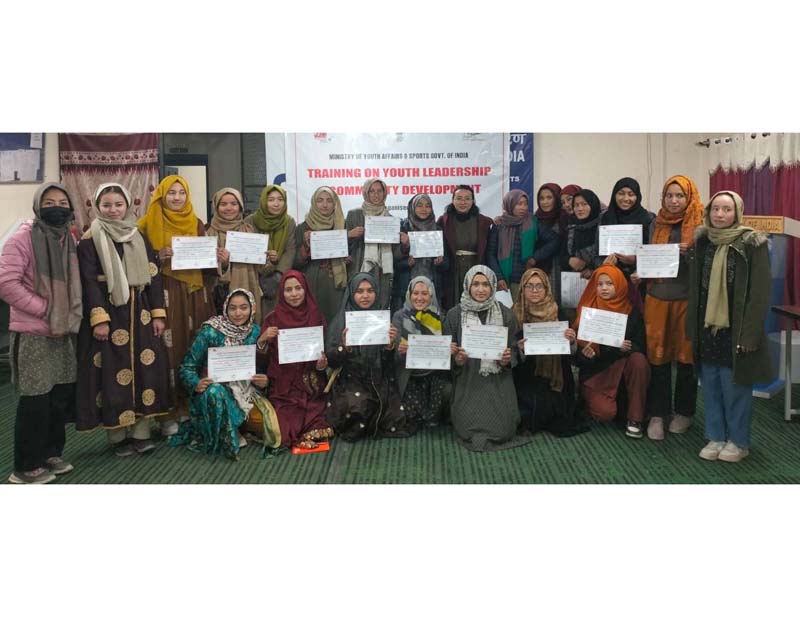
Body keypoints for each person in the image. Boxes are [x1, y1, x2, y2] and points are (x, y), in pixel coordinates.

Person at [75, 183, 172, 456]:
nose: (113, 210)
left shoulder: (138, 234)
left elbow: (153, 275)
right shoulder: (90, 238)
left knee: (146, 370)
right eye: (107, 205)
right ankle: (117, 435)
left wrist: (157, 313)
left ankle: (141, 432)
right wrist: (99, 319)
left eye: (118, 204)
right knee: (110, 373)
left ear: (128, 205)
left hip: (139, 313)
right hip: (110, 313)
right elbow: (88, 282)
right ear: (97, 207)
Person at [0, 183, 81, 483]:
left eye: (62, 201)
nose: (56, 207)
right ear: (38, 206)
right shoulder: (22, 238)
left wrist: (63, 313)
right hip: (34, 333)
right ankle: (25, 466)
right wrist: (45, 308)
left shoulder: (68, 239)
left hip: (63, 332)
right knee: (35, 398)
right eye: (49, 202)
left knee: (59, 396)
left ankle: (50, 453)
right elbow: (6, 283)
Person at [687, 190, 771, 463]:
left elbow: (760, 293)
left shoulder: (752, 243)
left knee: (736, 386)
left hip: (736, 328)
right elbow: (695, 289)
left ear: (737, 212)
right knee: (710, 384)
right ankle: (716, 436)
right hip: (707, 327)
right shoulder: (703, 242)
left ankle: (738, 442)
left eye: (726, 209)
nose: (720, 215)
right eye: (715, 209)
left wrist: (750, 333)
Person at [137, 175, 214, 436]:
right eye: (171, 193)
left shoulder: (197, 223)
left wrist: (216, 257)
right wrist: (158, 257)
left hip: (194, 293)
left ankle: (191, 406)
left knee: (192, 345)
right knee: (166, 349)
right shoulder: (145, 226)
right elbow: (137, 265)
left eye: (182, 192)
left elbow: (208, 267)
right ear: (161, 195)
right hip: (163, 294)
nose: (177, 198)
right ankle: (166, 412)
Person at [631, 175, 704, 440]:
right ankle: (658, 414)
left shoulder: (701, 225)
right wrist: (642, 273)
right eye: (669, 196)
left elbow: (707, 266)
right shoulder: (655, 222)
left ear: (689, 197)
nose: (674, 201)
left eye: (679, 196)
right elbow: (651, 258)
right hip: (657, 298)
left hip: (687, 299)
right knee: (657, 357)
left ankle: (684, 412)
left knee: (686, 358)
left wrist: (692, 254)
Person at [173, 288, 269, 460]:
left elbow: (258, 367)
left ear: (252, 309)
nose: (238, 313)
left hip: (246, 394)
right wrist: (196, 383)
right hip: (215, 393)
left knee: (269, 426)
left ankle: (237, 425)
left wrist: (263, 380)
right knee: (215, 392)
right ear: (225, 308)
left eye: (243, 307)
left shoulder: (255, 331)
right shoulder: (211, 331)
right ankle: (228, 436)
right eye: (232, 308)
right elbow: (187, 366)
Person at [443, 265, 527, 451]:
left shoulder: (506, 314)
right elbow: (446, 354)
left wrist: (507, 359)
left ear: (493, 287)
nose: (481, 289)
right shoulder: (454, 315)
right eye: (476, 284)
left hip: (498, 380)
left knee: (503, 430)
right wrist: (456, 360)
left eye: (486, 285)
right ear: (467, 286)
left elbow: (515, 350)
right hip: (467, 380)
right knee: (466, 430)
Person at [325, 272, 411, 441]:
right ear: (352, 294)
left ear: (376, 293)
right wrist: (345, 348)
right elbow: (331, 359)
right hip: (350, 379)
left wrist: (389, 345)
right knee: (357, 406)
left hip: (378, 377)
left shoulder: (382, 320)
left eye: (370, 290)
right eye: (360, 291)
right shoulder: (341, 320)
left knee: (395, 412)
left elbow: (389, 363)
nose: (365, 296)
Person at [257, 270, 333, 450]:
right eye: (288, 290)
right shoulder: (272, 319)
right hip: (284, 386)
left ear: (305, 289)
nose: (294, 294)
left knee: (319, 416)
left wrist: (322, 364)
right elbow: (261, 361)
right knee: (285, 427)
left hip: (311, 383)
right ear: (281, 293)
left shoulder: (316, 316)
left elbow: (324, 353)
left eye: (298, 288)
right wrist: (262, 340)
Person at [573, 264, 650, 438]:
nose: (604, 288)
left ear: (620, 284)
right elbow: (577, 359)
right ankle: (590, 401)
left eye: (609, 283)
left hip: (623, 369)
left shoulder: (633, 313)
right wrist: (586, 354)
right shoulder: (588, 310)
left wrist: (625, 348)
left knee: (638, 360)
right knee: (605, 413)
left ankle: (635, 419)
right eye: (600, 284)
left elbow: (641, 347)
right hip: (597, 373)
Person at [512, 268, 588, 436]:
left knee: (559, 415)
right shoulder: (515, 313)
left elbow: (571, 352)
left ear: (547, 288)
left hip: (556, 375)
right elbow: (510, 351)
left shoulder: (557, 310)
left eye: (539, 286)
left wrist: (572, 341)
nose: (534, 291)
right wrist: (519, 349)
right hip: (526, 375)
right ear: (522, 288)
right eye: (529, 286)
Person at [391, 275, 452, 429]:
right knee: (411, 417)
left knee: (446, 394)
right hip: (409, 374)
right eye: (415, 293)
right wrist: (400, 351)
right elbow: (394, 358)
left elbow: (447, 353)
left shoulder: (441, 317)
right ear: (409, 295)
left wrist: (449, 350)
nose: (419, 298)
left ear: (431, 295)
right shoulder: (399, 316)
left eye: (424, 294)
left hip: (434, 374)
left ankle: (435, 414)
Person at [487, 189, 558, 302]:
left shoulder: (533, 222)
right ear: (510, 204)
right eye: (519, 204)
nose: (523, 208)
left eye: (525, 204)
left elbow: (554, 240)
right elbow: (491, 254)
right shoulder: (499, 225)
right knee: (513, 316)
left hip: (530, 280)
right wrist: (499, 277)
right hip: (507, 282)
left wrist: (536, 257)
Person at [206, 187, 264, 319]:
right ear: (216, 206)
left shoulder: (248, 230)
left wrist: (266, 258)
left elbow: (259, 268)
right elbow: (205, 273)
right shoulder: (208, 232)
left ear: (240, 206)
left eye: (234, 204)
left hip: (247, 285)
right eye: (223, 204)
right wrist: (224, 264)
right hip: (220, 296)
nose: (229, 208)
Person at [293, 186, 348, 324]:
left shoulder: (341, 225)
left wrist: (346, 258)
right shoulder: (303, 228)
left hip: (336, 286)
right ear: (313, 203)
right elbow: (295, 263)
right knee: (314, 322)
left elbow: (352, 255)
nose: (324, 205)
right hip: (311, 283)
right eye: (320, 200)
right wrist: (305, 247)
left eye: (329, 201)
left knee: (336, 323)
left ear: (335, 203)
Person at [600, 177, 655, 309]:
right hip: (610, 282)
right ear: (614, 195)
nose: (625, 198)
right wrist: (604, 263)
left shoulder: (648, 218)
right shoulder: (605, 218)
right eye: (621, 193)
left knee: (636, 322)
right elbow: (597, 250)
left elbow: (654, 254)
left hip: (638, 282)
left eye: (631, 194)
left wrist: (636, 261)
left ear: (638, 196)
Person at [245, 184, 297, 318]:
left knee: (279, 317)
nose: (276, 204)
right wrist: (265, 262)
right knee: (258, 316)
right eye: (271, 199)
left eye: (280, 199)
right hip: (255, 277)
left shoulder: (289, 222)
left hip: (279, 279)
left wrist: (279, 273)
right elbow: (248, 249)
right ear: (263, 201)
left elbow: (290, 250)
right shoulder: (250, 221)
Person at [438, 185, 494, 310]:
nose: (463, 202)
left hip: (476, 267)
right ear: (453, 200)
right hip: (452, 269)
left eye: (467, 199)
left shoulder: (484, 222)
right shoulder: (444, 221)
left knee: (476, 302)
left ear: (473, 201)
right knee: (453, 304)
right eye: (459, 198)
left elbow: (490, 250)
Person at [345, 178, 399, 309]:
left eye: (380, 191)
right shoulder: (354, 215)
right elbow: (340, 245)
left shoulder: (390, 219)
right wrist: (349, 235)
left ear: (385, 193)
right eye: (372, 191)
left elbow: (396, 254)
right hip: (359, 266)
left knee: (380, 303)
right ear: (366, 193)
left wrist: (403, 244)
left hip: (381, 271)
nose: (376, 195)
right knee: (357, 303)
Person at [392, 193, 448, 313]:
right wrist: (407, 261)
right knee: (405, 324)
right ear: (412, 208)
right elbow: (393, 261)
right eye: (419, 205)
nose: (424, 209)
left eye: (427, 206)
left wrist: (440, 262)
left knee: (430, 326)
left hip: (432, 287)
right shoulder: (402, 228)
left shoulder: (437, 230)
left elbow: (447, 264)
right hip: (406, 286)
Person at [564, 188, 603, 280]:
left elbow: (609, 259)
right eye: (576, 205)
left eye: (584, 204)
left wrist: (593, 271)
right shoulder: (571, 227)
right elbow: (562, 255)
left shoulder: (603, 226)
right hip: (576, 283)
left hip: (601, 281)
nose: (580, 209)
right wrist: (569, 260)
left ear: (593, 205)